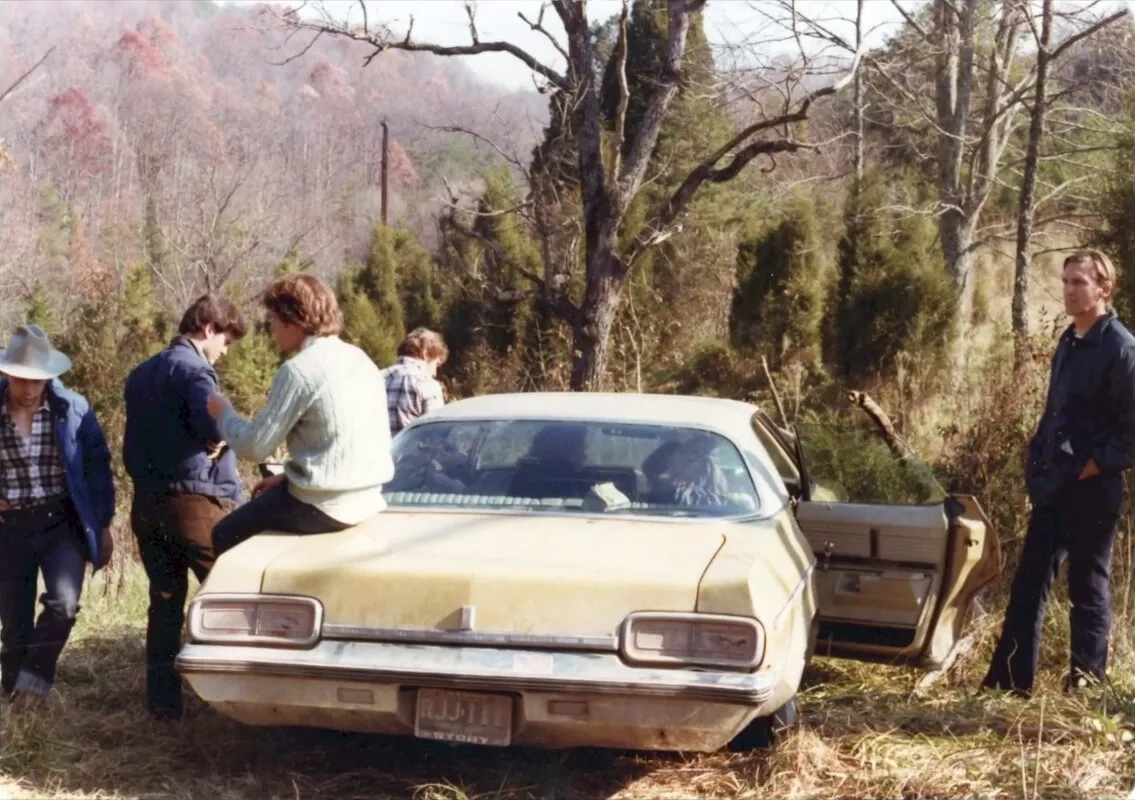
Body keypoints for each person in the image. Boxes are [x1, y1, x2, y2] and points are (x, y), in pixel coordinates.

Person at [981, 249, 1135, 697]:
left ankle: (1086, 690)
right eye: (1066, 281)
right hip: (1054, 486)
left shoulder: (1121, 348)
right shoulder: (1068, 341)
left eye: (1079, 283)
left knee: (1088, 594)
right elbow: (1056, 413)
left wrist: (1092, 466)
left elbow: (1131, 433)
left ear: (1104, 289)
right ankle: (1008, 687)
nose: (1069, 290)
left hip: (1093, 490)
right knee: (1028, 587)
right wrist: (1038, 461)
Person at [122, 293, 248, 720]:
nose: (225, 352)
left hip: (146, 503)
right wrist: (225, 435)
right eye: (225, 341)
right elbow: (219, 422)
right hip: (192, 503)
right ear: (207, 328)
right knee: (234, 596)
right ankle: (240, 699)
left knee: (165, 603)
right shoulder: (197, 371)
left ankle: (163, 706)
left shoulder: (141, 373)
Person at [206, 274, 394, 557]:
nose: (272, 330)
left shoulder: (300, 370)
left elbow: (255, 446)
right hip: (367, 499)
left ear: (291, 319)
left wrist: (223, 413)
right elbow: (346, 440)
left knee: (223, 535)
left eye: (273, 321)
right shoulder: (359, 358)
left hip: (323, 506)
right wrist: (288, 478)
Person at [0, 324, 115, 712]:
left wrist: (103, 523)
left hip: (60, 521)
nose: (30, 390)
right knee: (14, 621)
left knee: (64, 604)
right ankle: (14, 700)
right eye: (21, 380)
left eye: (39, 381)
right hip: (9, 527)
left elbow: (98, 468)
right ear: (8, 374)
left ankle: (33, 682)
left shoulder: (73, 408)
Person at [384, 327, 448, 437]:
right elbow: (435, 433)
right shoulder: (426, 384)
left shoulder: (380, 376)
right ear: (425, 353)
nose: (435, 373)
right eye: (436, 365)